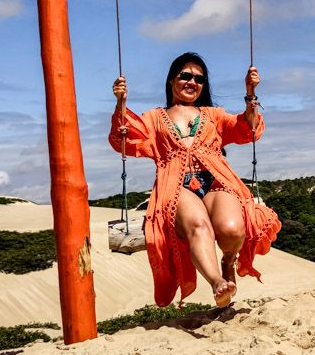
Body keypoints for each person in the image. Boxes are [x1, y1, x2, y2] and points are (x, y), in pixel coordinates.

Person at [110, 52, 281, 308]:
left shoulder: (214, 115)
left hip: (215, 183)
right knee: (199, 225)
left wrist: (250, 92)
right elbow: (126, 140)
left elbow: (249, 129)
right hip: (176, 188)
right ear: (172, 80)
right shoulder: (154, 117)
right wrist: (121, 104)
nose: (192, 82)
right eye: (186, 76)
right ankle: (217, 284)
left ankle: (228, 262)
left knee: (232, 228)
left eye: (199, 79)